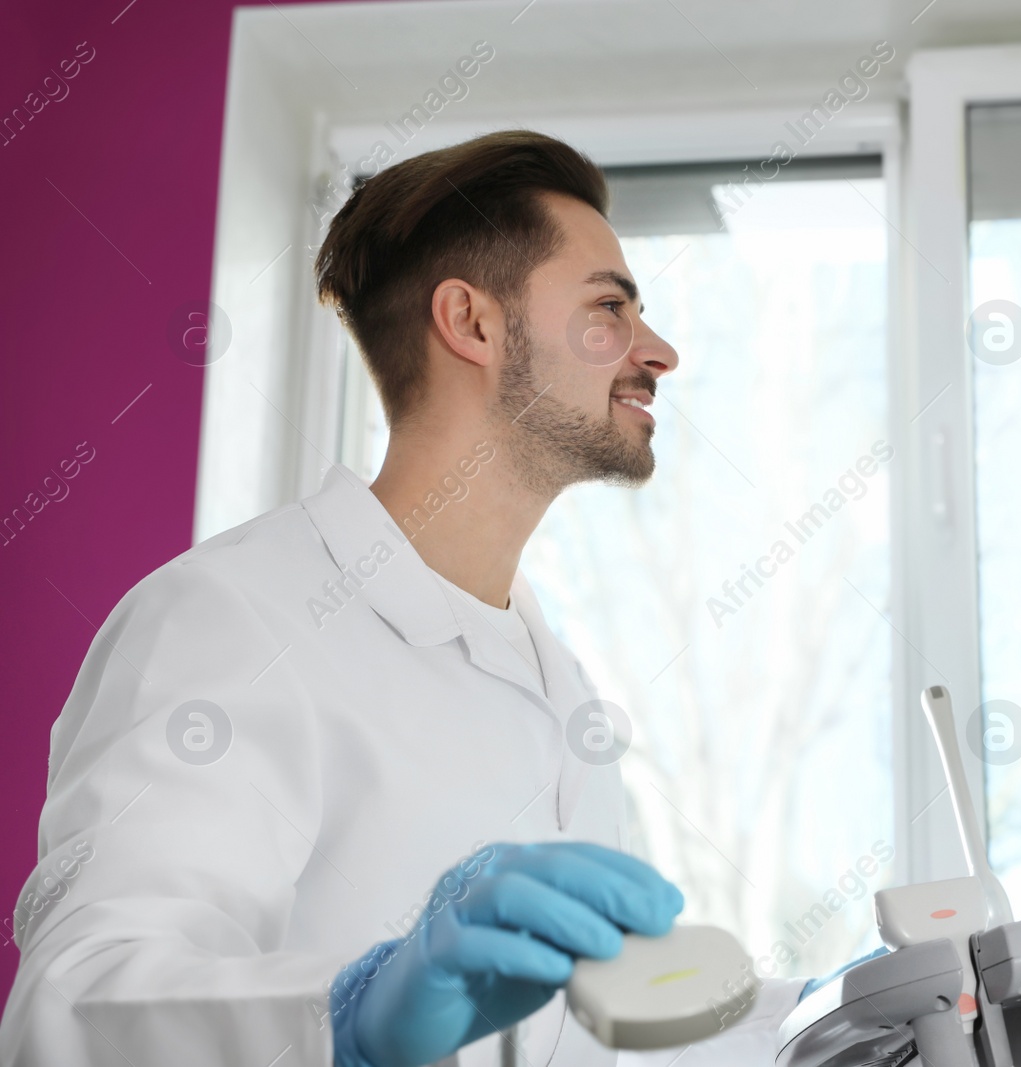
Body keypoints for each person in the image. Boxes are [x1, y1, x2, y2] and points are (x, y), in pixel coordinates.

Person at [0, 130, 807, 1066]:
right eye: (609, 310)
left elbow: (585, 1042)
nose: (657, 352)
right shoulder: (232, 617)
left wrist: (827, 1020)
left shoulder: (561, 690)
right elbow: (80, 1005)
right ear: (470, 322)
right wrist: (346, 1018)